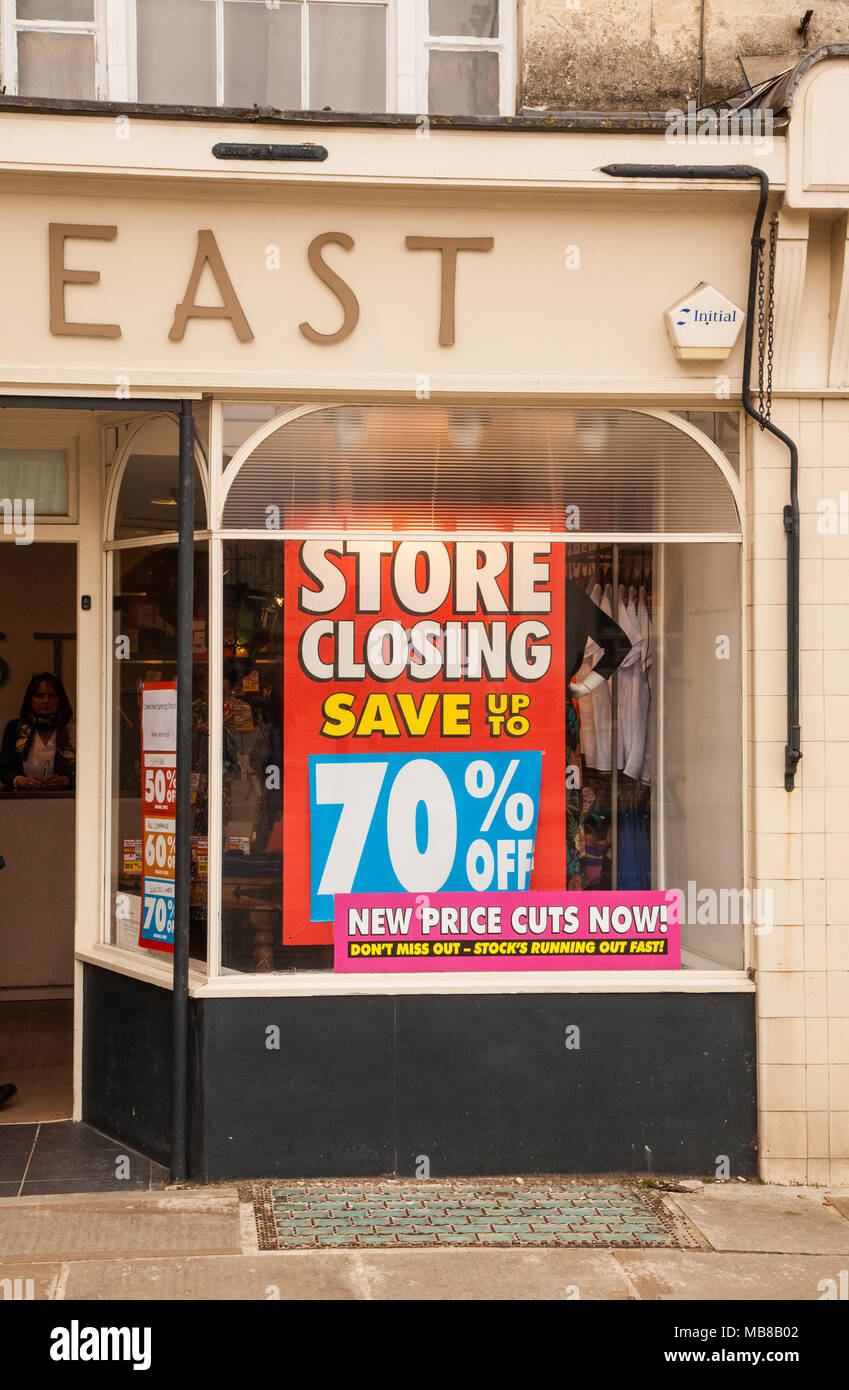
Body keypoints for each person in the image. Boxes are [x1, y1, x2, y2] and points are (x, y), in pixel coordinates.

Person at [0, 672, 76, 792]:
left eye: (51, 695)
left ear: (60, 700)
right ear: (30, 700)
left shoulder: (72, 730)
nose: (45, 700)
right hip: (21, 802)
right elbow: (4, 770)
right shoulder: (14, 728)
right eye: (40, 695)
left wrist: (65, 780)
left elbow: (90, 769)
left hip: (65, 801)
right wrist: (19, 780)